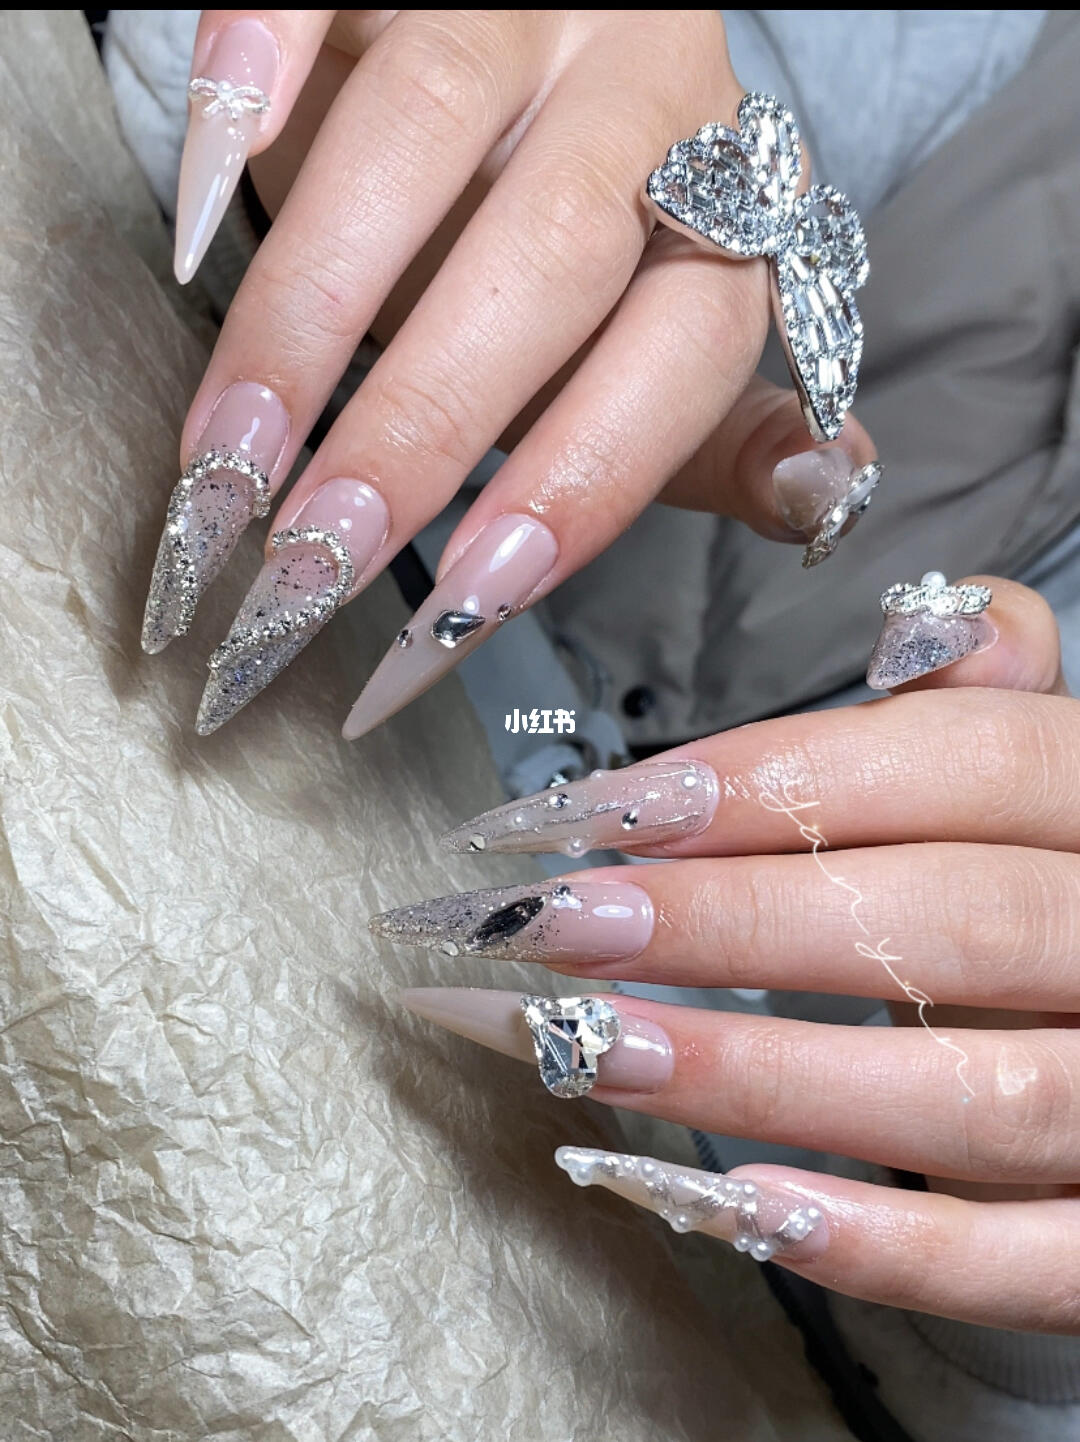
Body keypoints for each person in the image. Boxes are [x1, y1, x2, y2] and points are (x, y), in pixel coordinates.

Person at [104, 11, 1080, 1439]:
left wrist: (1029, 1318)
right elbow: (672, 116)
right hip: (238, 730)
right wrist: (404, 125)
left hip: (546, 1306)